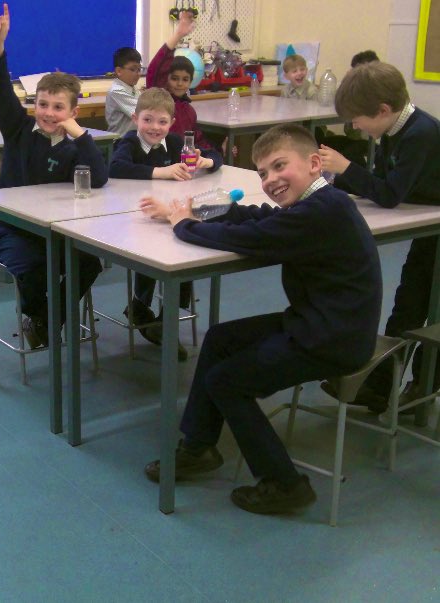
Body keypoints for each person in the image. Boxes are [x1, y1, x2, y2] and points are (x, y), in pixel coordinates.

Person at [139, 124, 382, 515]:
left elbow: (248, 238)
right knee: (220, 338)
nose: (270, 180)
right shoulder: (322, 205)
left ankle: (285, 484)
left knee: (227, 382)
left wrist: (183, 224)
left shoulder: (320, 213)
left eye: (279, 166)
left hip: (330, 340)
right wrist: (198, 210)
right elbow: (258, 217)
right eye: (264, 173)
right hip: (320, 323)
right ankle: (198, 448)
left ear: (315, 163)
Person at [320, 61, 440, 413]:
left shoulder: (421, 133)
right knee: (407, 306)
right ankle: (378, 386)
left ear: (384, 110)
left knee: (430, 312)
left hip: (435, 227)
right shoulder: (394, 129)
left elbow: (389, 194)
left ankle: (424, 385)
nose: (354, 126)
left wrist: (345, 167)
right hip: (430, 223)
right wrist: (338, 177)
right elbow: (382, 182)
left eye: (358, 119)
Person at [0, 3, 108, 349]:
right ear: (34, 105)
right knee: (34, 266)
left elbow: (97, 179)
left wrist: (82, 136)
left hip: (55, 230)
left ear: (73, 112)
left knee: (88, 265)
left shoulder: (74, 149)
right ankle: (41, 318)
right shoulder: (19, 130)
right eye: (42, 104)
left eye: (58, 107)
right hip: (15, 231)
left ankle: (46, 320)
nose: (48, 113)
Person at [109, 87, 223, 360]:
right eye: (147, 120)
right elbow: (116, 168)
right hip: (136, 220)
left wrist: (204, 161)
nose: (154, 127)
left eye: (161, 122)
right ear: (135, 119)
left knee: (185, 250)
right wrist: (162, 172)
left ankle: (166, 318)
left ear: (171, 123)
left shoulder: (174, 143)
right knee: (154, 253)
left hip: (169, 216)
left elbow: (215, 156)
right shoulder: (129, 142)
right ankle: (141, 304)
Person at [145, 9, 216, 154]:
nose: (179, 84)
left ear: (191, 81)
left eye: (185, 80)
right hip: (161, 162)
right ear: (166, 78)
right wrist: (178, 34)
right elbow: (156, 69)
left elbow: (198, 142)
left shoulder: (188, 110)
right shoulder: (159, 101)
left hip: (183, 165)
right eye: (174, 78)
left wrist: (211, 154)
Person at [316, 50, 381, 165]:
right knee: (322, 143)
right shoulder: (354, 89)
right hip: (352, 139)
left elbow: (356, 132)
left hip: (367, 142)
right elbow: (337, 101)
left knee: (348, 154)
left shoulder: (373, 94)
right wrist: (347, 83)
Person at [105, 46, 143, 136]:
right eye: (133, 69)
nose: (138, 73)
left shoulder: (134, 89)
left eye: (139, 69)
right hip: (120, 142)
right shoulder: (116, 91)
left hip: (133, 140)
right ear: (119, 71)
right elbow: (142, 113)